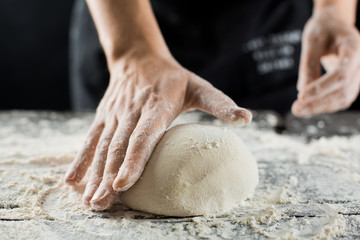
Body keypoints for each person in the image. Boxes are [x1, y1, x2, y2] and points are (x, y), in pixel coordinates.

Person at [65, 0, 360, 211]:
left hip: (267, 24)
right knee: (128, 148)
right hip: (135, 22)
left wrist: (335, 11)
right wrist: (132, 52)